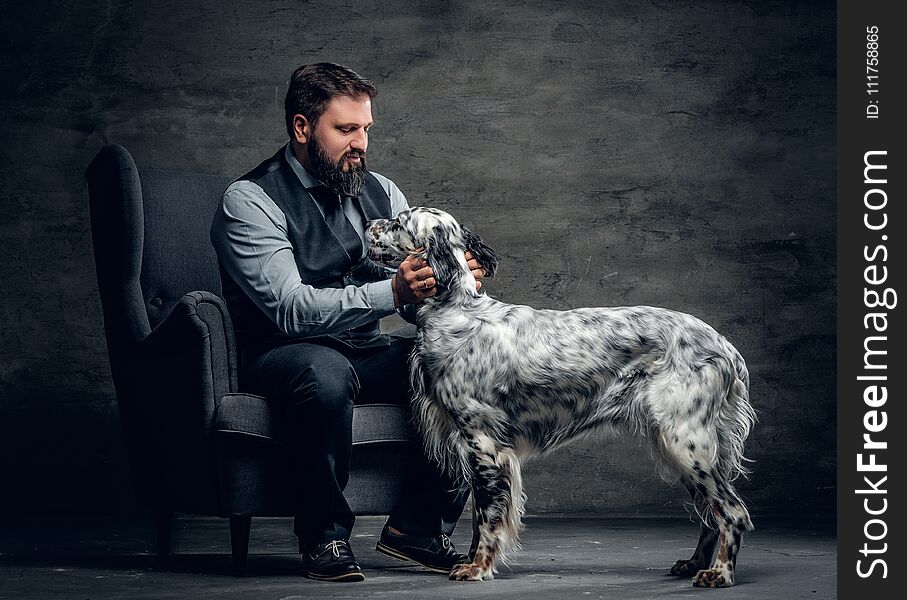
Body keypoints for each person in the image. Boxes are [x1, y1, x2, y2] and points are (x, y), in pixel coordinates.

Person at [210, 62, 487, 582]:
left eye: (365, 130)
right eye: (345, 130)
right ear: (301, 127)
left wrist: (450, 279)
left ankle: (418, 527)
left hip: (363, 346)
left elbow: (411, 301)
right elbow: (290, 309)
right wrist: (392, 290)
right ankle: (324, 536)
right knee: (324, 373)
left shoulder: (382, 190)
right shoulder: (249, 201)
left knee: (459, 360)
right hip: (283, 352)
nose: (360, 143)